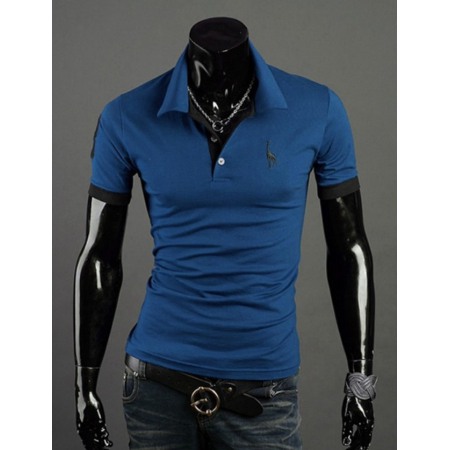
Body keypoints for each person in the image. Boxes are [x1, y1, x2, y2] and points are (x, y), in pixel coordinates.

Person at [74, 17, 376, 450]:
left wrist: (360, 378)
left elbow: (349, 248)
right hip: (156, 390)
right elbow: (99, 255)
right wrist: (84, 383)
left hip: (264, 395)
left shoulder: (318, 109)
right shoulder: (126, 116)